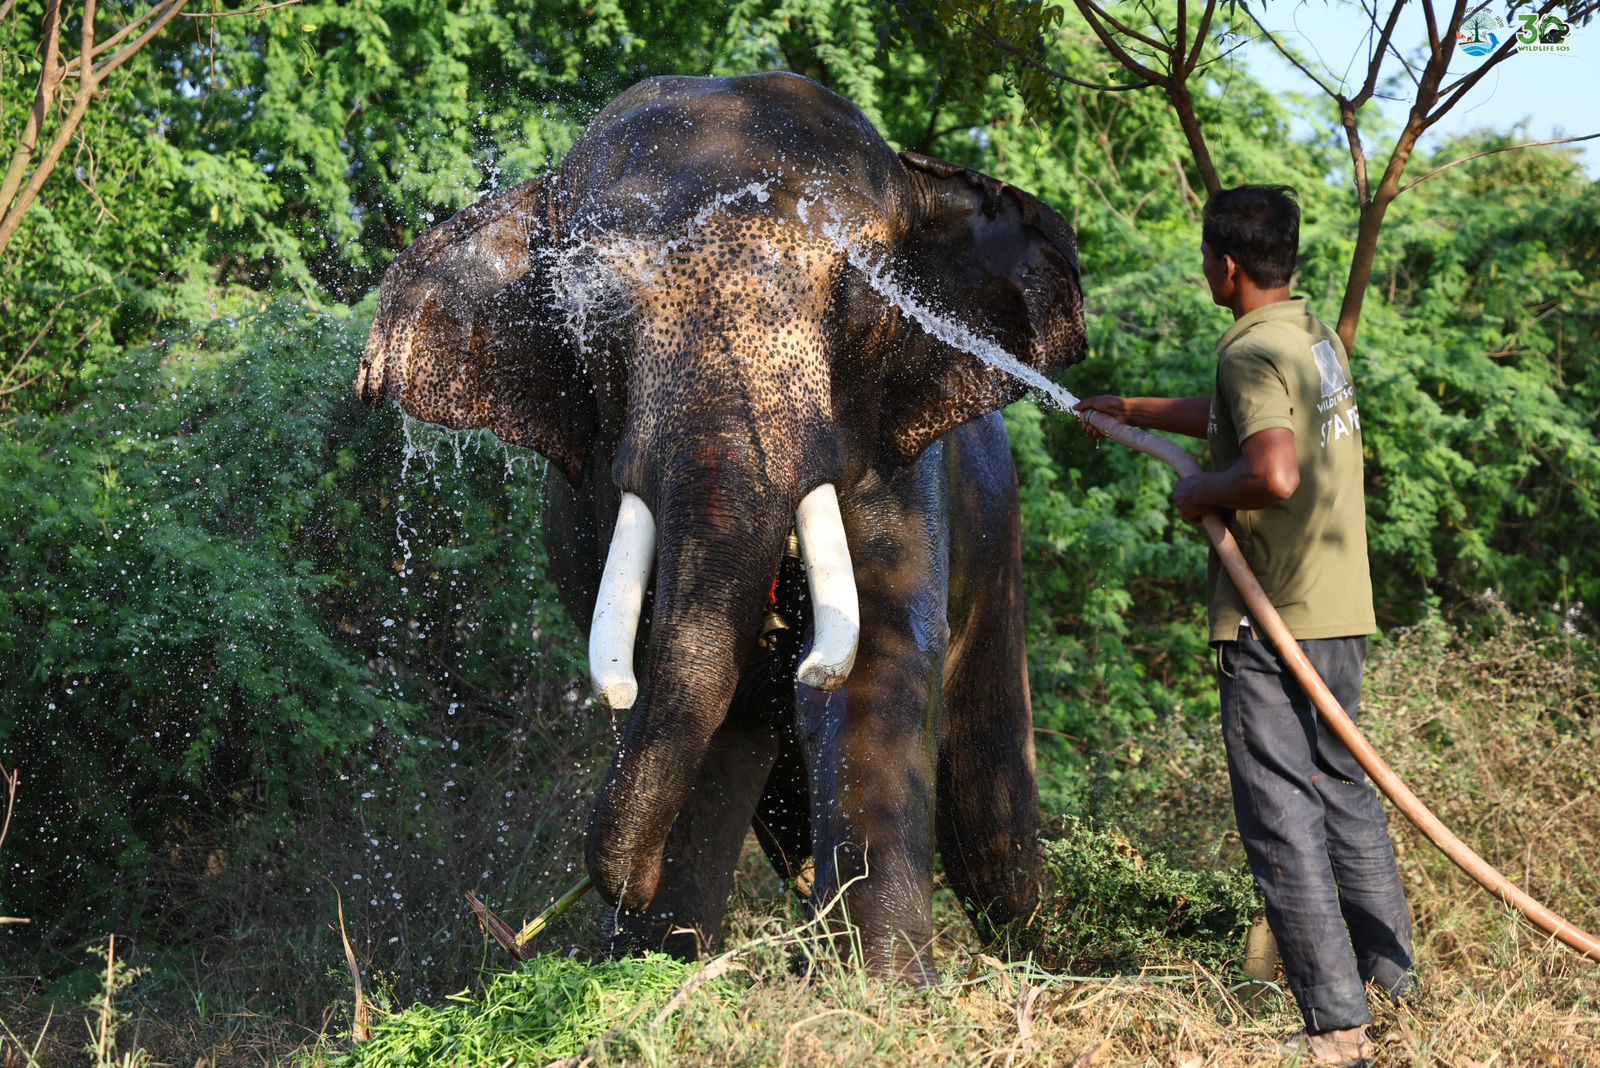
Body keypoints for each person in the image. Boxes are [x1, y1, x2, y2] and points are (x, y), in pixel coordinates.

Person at [1076, 185, 1414, 1066]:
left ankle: (1337, 1023)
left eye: (1204, 258)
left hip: (1275, 622)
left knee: (1280, 816)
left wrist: (1199, 491)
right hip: (1339, 614)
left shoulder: (1248, 351)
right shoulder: (1308, 338)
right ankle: (1393, 991)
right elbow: (1250, 422)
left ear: (1224, 266)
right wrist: (1139, 413)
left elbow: (1273, 471)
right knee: (1346, 797)